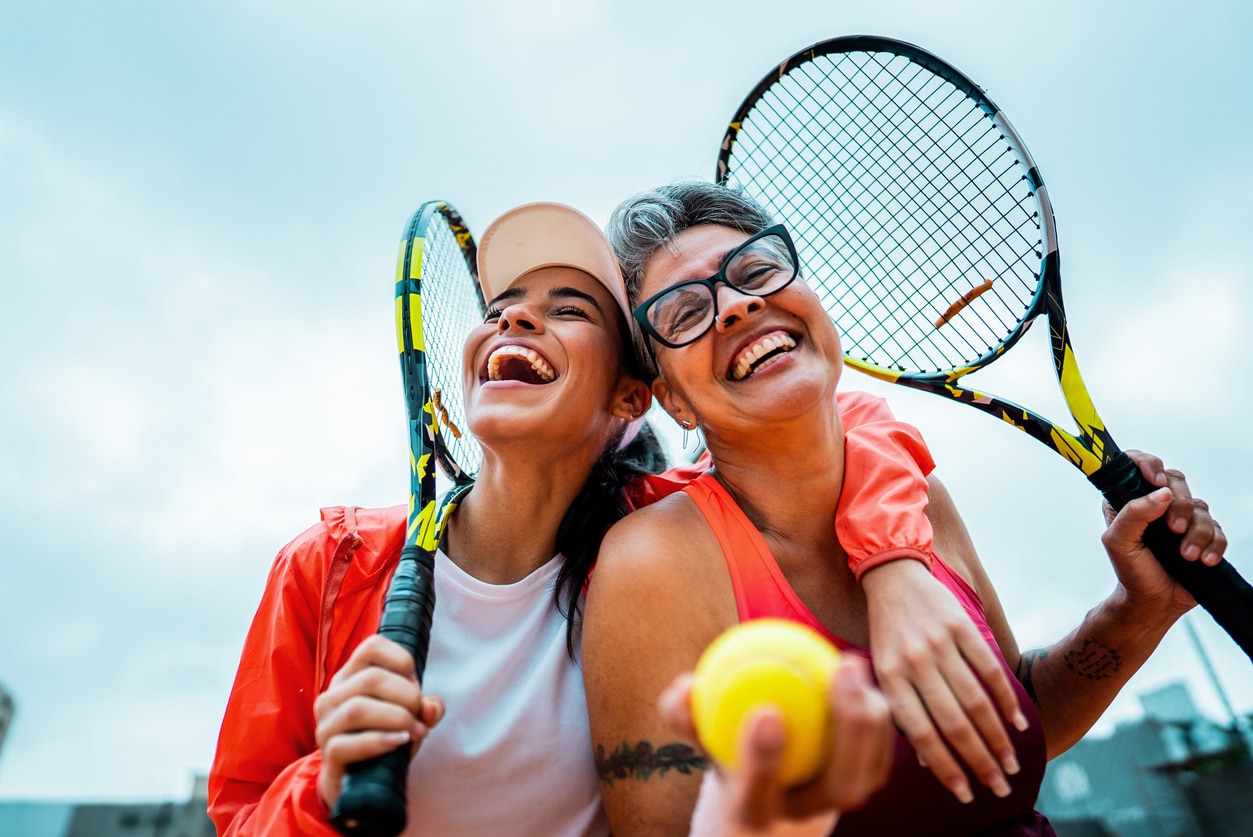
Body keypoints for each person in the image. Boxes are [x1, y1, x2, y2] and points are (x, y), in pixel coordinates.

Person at [206, 201, 899, 836]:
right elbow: (238, 816)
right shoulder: (325, 562)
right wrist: (321, 786)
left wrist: (898, 571)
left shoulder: (669, 542)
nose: (514, 318)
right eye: (501, 306)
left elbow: (844, 427)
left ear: (631, 397)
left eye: (569, 309)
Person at [582, 180, 1228, 835]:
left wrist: (1137, 611)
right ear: (672, 400)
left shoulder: (919, 496)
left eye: (756, 270)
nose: (737, 306)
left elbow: (1015, 723)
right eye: (684, 311)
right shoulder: (652, 560)